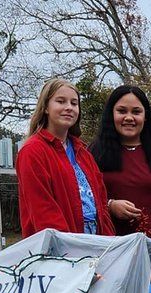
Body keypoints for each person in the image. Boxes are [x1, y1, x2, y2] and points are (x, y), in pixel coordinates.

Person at [90, 85, 151, 270]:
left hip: (150, 256)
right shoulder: (93, 153)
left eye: (136, 112)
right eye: (121, 111)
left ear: (145, 116)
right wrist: (109, 205)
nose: (129, 117)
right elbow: (83, 200)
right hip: (106, 255)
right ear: (111, 114)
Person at [17, 78, 113, 237]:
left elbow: (101, 204)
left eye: (74, 103)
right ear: (46, 107)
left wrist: (109, 242)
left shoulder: (83, 152)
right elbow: (43, 210)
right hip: (62, 245)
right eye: (61, 101)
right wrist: (68, 248)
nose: (69, 107)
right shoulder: (32, 151)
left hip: (96, 239)